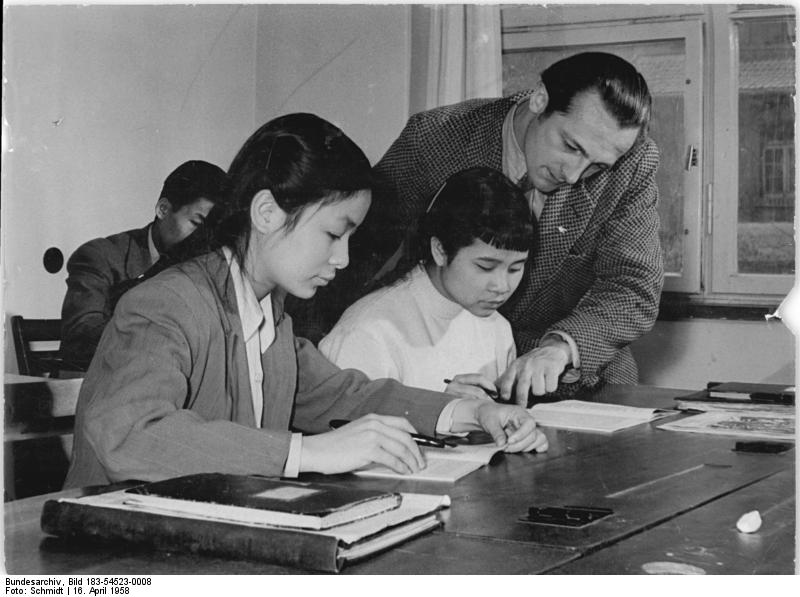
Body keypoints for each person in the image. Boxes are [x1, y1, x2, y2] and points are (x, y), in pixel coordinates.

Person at [63, 113, 548, 489]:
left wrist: (471, 413)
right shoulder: (166, 305)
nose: (342, 259)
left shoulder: (268, 315)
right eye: (334, 234)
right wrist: (306, 454)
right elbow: (131, 435)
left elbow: (344, 394)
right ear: (268, 212)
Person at [316, 51, 664, 405]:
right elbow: (353, 255)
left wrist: (561, 347)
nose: (573, 175)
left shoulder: (630, 163)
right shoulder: (435, 140)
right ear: (540, 99)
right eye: (571, 146)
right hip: (445, 376)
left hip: (582, 383)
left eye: (596, 166)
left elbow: (634, 286)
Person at [319, 166, 534, 400]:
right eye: (485, 267)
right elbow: (340, 430)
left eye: (515, 268)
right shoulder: (367, 332)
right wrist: (436, 409)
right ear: (440, 250)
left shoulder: (498, 329)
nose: (502, 286)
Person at [59, 160, 228, 371]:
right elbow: (80, 337)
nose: (204, 239)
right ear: (163, 209)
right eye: (197, 223)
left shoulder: (204, 267)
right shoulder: (100, 256)